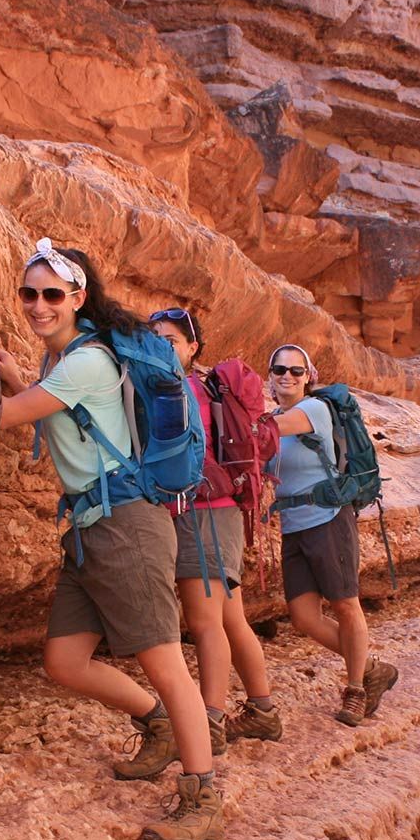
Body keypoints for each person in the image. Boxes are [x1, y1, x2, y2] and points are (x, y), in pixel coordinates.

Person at [0, 244, 228, 840]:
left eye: (52, 295)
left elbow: (8, 417)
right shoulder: (65, 359)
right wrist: (16, 374)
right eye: (28, 293)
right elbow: (57, 415)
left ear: (78, 298)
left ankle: (203, 797)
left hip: (125, 527)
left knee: (168, 665)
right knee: (65, 661)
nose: (38, 305)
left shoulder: (86, 361)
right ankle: (158, 725)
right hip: (92, 528)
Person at [147, 308, 281, 748]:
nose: (160, 346)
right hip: (221, 512)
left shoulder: (180, 390)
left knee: (206, 624)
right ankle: (261, 710)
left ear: (192, 348)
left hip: (200, 512)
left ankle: (211, 720)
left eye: (170, 340)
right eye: (153, 338)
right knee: (230, 619)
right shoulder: (203, 387)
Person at [267, 344, 397, 726]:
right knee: (305, 618)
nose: (287, 376)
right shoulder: (275, 415)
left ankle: (356, 688)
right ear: (270, 376)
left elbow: (268, 432)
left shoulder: (314, 410)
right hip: (294, 525)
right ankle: (372, 667)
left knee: (344, 604)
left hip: (327, 518)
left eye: (296, 370)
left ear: (309, 377)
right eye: (279, 370)